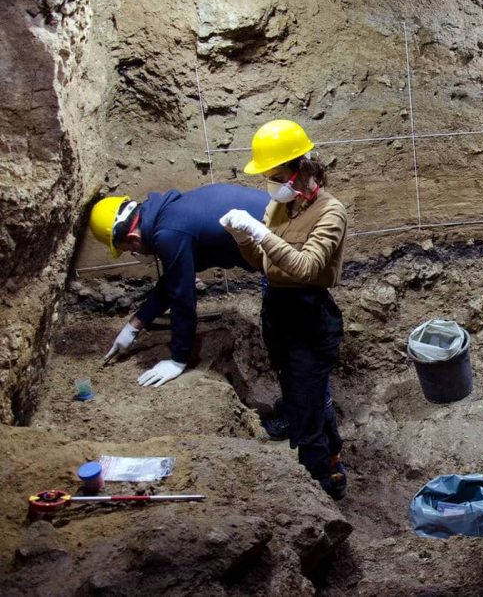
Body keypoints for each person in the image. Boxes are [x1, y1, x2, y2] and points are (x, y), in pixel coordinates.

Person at [219, 119, 349, 500]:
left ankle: (321, 486)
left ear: (300, 170)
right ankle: (332, 458)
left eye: (276, 177)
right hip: (278, 312)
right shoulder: (279, 206)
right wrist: (243, 239)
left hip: (310, 317)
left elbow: (306, 268)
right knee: (301, 398)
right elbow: (263, 263)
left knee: (307, 414)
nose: (271, 185)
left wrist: (261, 234)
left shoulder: (330, 212)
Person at [88, 185, 270, 387]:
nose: (135, 254)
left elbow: (182, 298)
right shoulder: (166, 214)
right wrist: (133, 326)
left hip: (281, 247)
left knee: (284, 333)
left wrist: (178, 359)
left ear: (133, 239)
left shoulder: (169, 234)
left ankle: (290, 400)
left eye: (128, 250)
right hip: (276, 234)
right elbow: (173, 279)